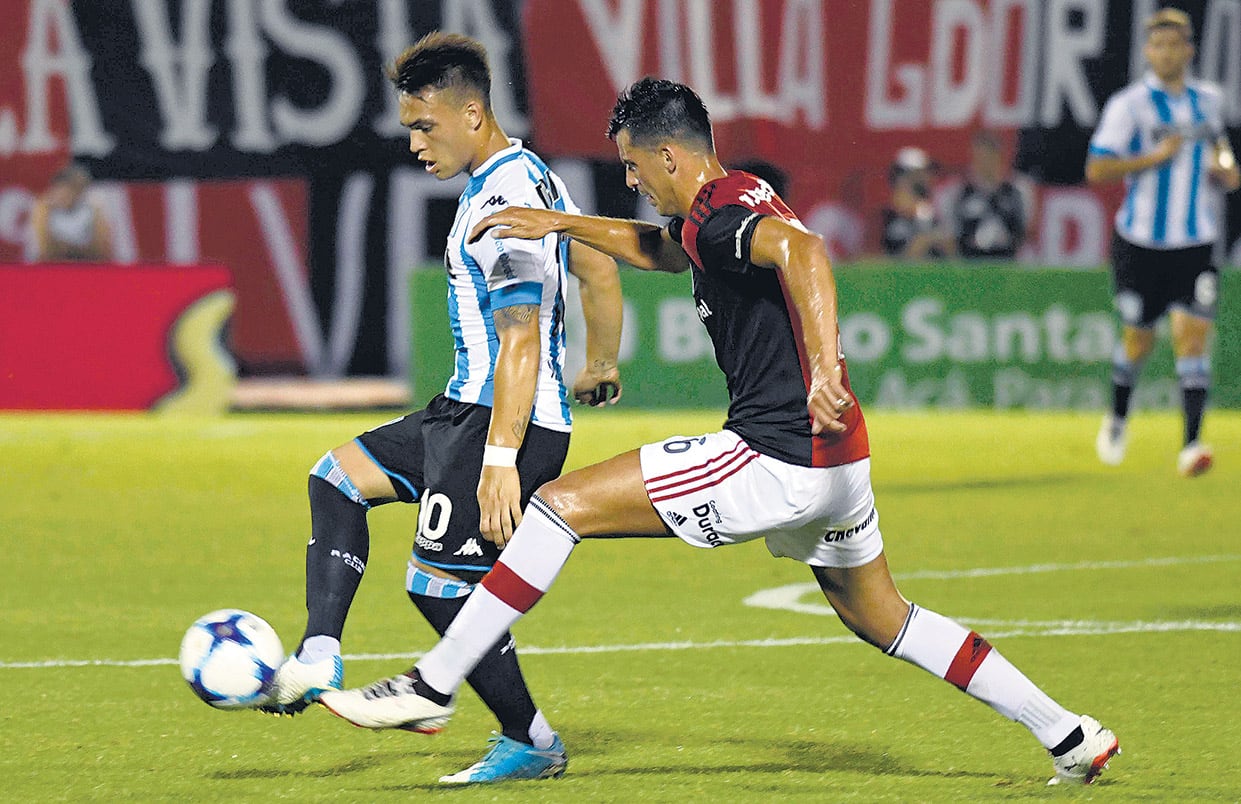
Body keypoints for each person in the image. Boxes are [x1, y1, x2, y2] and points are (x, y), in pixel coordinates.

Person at [319, 77, 1120, 787]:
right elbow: (664, 252)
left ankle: (433, 682)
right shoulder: (717, 208)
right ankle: (1069, 733)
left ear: (670, 157)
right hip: (839, 464)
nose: (631, 181)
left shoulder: (728, 209)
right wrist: (561, 223)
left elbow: (804, 253)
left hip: (773, 454)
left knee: (557, 507)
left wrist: (823, 373)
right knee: (886, 618)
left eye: (634, 167)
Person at [261, 32, 624, 785]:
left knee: (438, 588)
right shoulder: (531, 179)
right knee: (335, 479)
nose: (415, 143)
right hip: (461, 410)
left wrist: (499, 459)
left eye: (425, 126)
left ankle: (530, 739)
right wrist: (600, 359)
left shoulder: (503, 198)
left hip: (501, 422)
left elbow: (520, 335)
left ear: (471, 111)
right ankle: (319, 656)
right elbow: (594, 264)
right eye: (408, 128)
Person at [1087, 8, 1240, 477]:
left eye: (1176, 45)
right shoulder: (1129, 105)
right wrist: (1153, 158)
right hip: (1141, 243)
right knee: (1138, 340)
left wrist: (1226, 167)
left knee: (1192, 336)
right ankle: (1117, 417)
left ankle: (1191, 445)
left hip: (1196, 241)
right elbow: (1097, 169)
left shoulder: (1210, 101)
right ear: (1148, 51)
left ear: (1189, 51)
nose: (1167, 53)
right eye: (1159, 45)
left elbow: (1220, 148)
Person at [946, 130, 1031, 260]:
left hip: (1008, 261)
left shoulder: (1018, 189)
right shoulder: (959, 191)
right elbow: (952, 232)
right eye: (979, 155)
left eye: (988, 155)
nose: (984, 161)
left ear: (998, 155)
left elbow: (1026, 229)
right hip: (970, 263)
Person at [29, 163, 115, 262]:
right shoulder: (44, 209)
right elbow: (45, 251)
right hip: (54, 268)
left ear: (79, 192)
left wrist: (65, 247)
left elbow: (102, 251)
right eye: (60, 191)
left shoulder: (94, 210)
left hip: (87, 266)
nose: (62, 196)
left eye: (69, 192)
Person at [880, 147, 954, 259]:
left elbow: (953, 254)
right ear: (901, 177)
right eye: (920, 173)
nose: (927, 178)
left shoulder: (930, 211)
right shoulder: (885, 216)